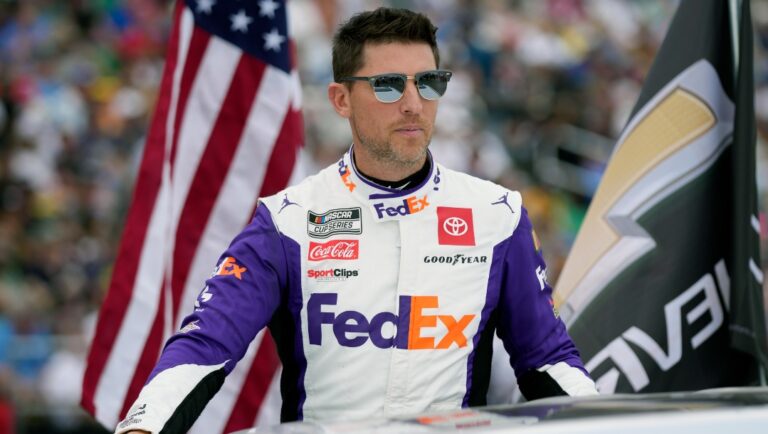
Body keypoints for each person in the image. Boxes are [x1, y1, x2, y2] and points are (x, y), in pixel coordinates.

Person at [118, 7, 597, 434]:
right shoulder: (287, 221)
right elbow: (206, 342)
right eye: (388, 85)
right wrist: (144, 426)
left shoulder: (496, 214)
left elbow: (547, 359)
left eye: (428, 82)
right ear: (340, 100)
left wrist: (604, 421)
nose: (413, 103)